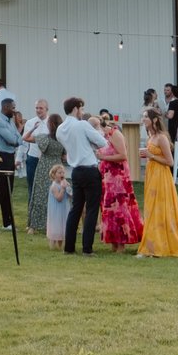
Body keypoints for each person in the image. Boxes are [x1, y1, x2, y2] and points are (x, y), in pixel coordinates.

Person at [137, 107, 178, 259]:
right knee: (150, 208)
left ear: (154, 120)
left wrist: (151, 156)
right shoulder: (150, 137)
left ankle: (162, 246)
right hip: (151, 174)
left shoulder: (161, 137)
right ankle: (151, 246)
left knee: (160, 208)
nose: (143, 120)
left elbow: (170, 161)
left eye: (146, 117)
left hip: (161, 176)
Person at [56, 99, 104, 253]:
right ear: (76, 109)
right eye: (81, 109)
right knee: (91, 209)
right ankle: (87, 248)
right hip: (89, 169)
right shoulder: (82, 124)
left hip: (75, 170)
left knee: (76, 208)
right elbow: (102, 142)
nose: (82, 112)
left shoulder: (60, 129)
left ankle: (69, 247)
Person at [96, 112, 142, 251]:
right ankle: (113, 243)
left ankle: (122, 243)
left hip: (118, 178)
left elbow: (123, 155)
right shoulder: (102, 137)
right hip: (107, 178)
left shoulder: (115, 134)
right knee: (109, 209)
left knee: (120, 209)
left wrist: (103, 157)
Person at [26, 109, 61, 236]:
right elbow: (65, 156)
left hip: (44, 167)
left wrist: (32, 129)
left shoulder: (44, 138)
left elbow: (25, 138)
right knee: (56, 195)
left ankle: (33, 226)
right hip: (57, 166)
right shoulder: (61, 139)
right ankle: (54, 224)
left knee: (39, 194)